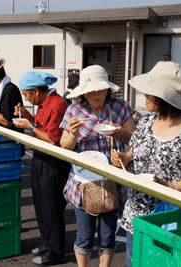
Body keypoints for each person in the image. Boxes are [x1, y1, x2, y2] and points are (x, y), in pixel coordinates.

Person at [111, 61, 181, 267]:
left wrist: (170, 186)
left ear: (164, 98)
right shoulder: (146, 122)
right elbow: (135, 149)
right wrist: (125, 157)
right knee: (136, 262)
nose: (146, 96)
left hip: (171, 221)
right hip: (137, 216)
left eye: (150, 92)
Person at [59, 65, 135, 267]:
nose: (94, 93)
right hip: (83, 182)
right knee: (84, 236)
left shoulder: (120, 107)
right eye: (90, 90)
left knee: (108, 236)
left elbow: (135, 141)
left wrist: (124, 149)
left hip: (112, 181)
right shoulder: (74, 110)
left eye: (99, 89)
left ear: (107, 89)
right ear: (83, 91)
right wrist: (73, 134)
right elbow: (64, 146)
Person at [13, 71, 71, 265]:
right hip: (40, 157)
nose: (26, 98)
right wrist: (27, 115)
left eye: (27, 94)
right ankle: (47, 243)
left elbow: (53, 140)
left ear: (36, 91)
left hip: (53, 161)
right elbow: (39, 127)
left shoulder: (57, 104)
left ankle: (56, 252)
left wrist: (29, 126)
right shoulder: (44, 104)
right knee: (41, 205)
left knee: (52, 207)